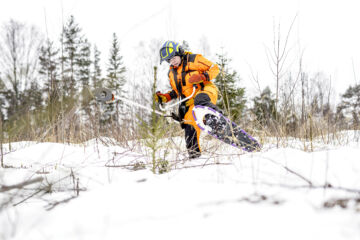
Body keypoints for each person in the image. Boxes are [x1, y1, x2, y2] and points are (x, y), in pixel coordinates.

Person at [155, 40, 222, 159]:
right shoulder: (171, 73)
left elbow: (215, 68)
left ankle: (216, 120)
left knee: (200, 100)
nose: (172, 62)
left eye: (174, 58)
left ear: (179, 52)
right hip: (191, 103)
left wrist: (203, 76)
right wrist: (166, 97)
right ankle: (195, 156)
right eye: (169, 60)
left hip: (206, 91)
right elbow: (177, 91)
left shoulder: (194, 59)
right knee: (189, 128)